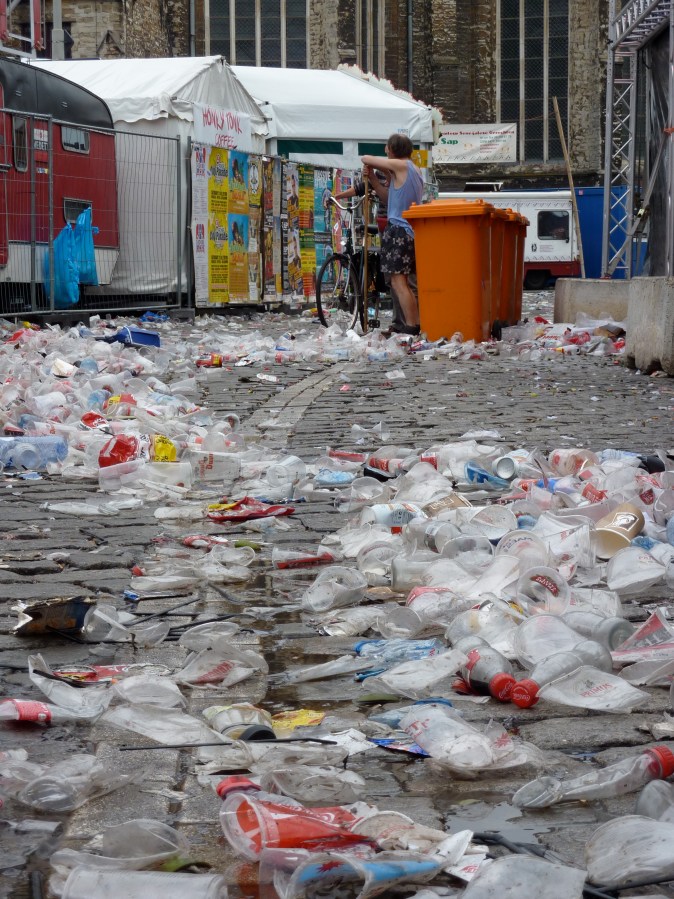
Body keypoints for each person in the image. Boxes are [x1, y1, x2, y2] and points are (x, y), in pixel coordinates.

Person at [362, 134, 423, 335]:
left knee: (398, 281)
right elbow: (389, 198)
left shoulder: (401, 165)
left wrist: (377, 166)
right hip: (408, 230)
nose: (385, 151)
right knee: (402, 281)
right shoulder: (413, 170)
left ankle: (411, 326)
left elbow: (366, 158)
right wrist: (374, 178)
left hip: (398, 230)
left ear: (393, 149)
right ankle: (413, 324)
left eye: (387, 148)